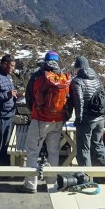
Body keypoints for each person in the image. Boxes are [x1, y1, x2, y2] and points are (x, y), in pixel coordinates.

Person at [22, 51, 71, 193]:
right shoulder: (63, 77)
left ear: (45, 60)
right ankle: (51, 180)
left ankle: (31, 184)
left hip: (40, 120)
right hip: (58, 119)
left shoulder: (38, 75)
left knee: (32, 152)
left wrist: (35, 111)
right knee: (54, 151)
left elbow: (29, 96)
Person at [69, 56, 105, 167]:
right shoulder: (97, 79)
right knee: (99, 146)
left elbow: (79, 101)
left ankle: (86, 178)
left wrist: (79, 118)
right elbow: (104, 97)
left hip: (86, 120)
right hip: (100, 118)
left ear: (77, 67)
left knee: (84, 150)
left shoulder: (77, 81)